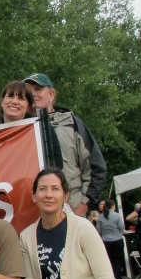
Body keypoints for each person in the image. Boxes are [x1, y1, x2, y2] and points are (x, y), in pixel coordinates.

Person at [24, 73, 107, 215]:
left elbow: (96, 169)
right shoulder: (16, 130)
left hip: (71, 209)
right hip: (28, 212)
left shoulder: (73, 124)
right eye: (28, 91)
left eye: (37, 89)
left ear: (51, 94)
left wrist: (84, 205)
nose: (33, 94)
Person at [95, 198, 127, 279]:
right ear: (113, 206)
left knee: (109, 262)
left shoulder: (101, 217)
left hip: (106, 241)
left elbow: (98, 230)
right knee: (118, 261)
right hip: (117, 240)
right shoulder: (117, 215)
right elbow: (121, 228)